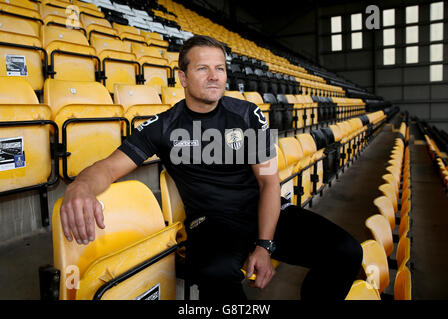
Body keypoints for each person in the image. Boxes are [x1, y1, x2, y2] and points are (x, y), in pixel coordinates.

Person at [60, 35, 362, 300]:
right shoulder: (163, 126)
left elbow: (270, 183)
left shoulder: (247, 114)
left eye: (220, 68)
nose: (214, 76)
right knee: (215, 274)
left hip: (263, 210)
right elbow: (109, 168)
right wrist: (81, 187)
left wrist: (265, 246)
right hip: (212, 223)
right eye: (202, 68)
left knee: (347, 252)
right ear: (182, 77)